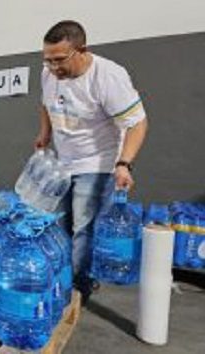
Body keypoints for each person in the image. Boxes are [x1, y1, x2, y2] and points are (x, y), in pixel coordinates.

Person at [35, 21, 148, 302]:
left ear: (81, 50)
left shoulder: (107, 76)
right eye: (47, 60)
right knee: (56, 223)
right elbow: (46, 104)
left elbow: (138, 123)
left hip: (98, 163)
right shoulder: (48, 73)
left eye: (59, 60)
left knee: (83, 229)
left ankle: (77, 288)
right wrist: (44, 133)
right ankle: (61, 278)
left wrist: (124, 164)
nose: (53, 67)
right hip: (63, 162)